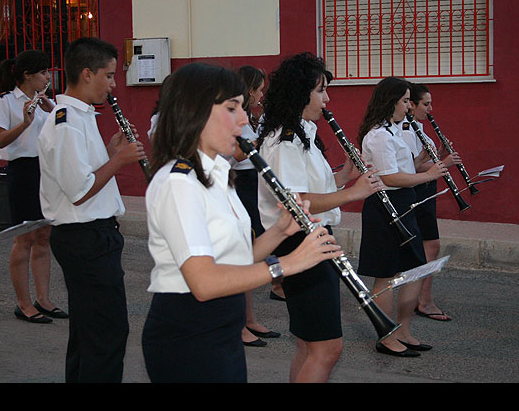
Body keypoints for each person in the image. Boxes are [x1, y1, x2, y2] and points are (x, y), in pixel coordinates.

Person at [140, 62, 341, 383]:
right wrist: (288, 264)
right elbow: (204, 284)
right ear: (196, 111)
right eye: (232, 108)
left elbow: (237, 259)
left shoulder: (217, 175)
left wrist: (280, 231)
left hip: (221, 329)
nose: (245, 119)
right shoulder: (179, 183)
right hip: (189, 334)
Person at [256, 52, 383, 382]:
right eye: (320, 90)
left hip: (310, 239)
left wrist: (343, 179)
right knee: (326, 348)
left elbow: (309, 189)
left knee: (309, 345)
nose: (327, 99)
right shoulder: (285, 141)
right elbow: (294, 201)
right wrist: (353, 193)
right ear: (301, 93)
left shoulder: (303, 134)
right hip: (300, 242)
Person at [38, 37, 146, 382]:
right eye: (109, 75)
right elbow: (80, 191)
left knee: (89, 334)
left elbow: (82, 173)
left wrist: (110, 152)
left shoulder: (80, 116)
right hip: (85, 238)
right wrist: (119, 160)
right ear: (87, 74)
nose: (113, 85)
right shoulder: (67, 122)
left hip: (92, 236)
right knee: (106, 335)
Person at [356, 77, 447, 357]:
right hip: (385, 205)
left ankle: (404, 331)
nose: (409, 106)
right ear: (391, 101)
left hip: (404, 202)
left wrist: (426, 162)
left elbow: (404, 167)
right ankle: (387, 337)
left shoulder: (394, 131)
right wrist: (429, 175)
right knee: (386, 275)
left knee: (415, 269)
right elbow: (390, 177)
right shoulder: (379, 135)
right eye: (405, 101)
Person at [0, 50, 67, 324]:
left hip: (46, 170)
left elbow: (63, 133)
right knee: (24, 239)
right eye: (43, 73)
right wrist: (25, 123)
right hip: (23, 171)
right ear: (27, 75)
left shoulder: (46, 102)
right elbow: (0, 140)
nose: (47, 77)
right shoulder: (6, 102)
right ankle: (23, 303)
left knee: (44, 236)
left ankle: (43, 299)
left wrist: (52, 110)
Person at [401, 83, 461, 322]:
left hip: (426, 189)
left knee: (430, 246)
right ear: (412, 105)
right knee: (429, 246)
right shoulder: (407, 130)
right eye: (425, 104)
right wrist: (445, 162)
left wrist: (441, 155)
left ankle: (421, 298)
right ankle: (423, 300)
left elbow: (424, 161)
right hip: (418, 190)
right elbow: (411, 167)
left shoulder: (418, 127)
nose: (430, 109)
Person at [229, 65, 280, 347]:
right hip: (242, 185)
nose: (262, 95)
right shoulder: (234, 117)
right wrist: (260, 141)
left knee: (253, 254)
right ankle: (239, 324)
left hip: (252, 184)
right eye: (259, 90)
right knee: (243, 257)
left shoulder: (248, 117)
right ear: (249, 90)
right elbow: (235, 155)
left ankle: (249, 318)